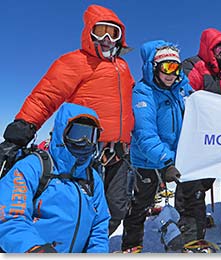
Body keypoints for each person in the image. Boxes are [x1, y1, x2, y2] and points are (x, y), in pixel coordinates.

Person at [0, 4, 135, 236]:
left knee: (114, 210)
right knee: (76, 211)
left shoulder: (123, 67)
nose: (106, 39)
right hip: (83, 149)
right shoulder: (75, 61)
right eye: (100, 31)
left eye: (112, 33)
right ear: (89, 34)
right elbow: (45, 97)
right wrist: (21, 130)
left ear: (119, 38)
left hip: (118, 154)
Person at [0, 103, 110, 253]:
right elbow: (10, 217)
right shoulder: (34, 167)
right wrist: (35, 250)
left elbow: (99, 226)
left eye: (90, 135)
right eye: (77, 134)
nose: (85, 141)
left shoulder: (92, 178)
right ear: (61, 132)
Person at [121, 41, 193, 253]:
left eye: (176, 68)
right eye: (166, 68)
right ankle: (131, 245)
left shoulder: (182, 89)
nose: (171, 74)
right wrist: (166, 161)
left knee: (186, 199)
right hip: (147, 161)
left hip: (173, 158)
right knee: (141, 204)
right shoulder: (143, 92)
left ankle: (180, 238)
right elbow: (144, 134)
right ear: (155, 68)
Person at [176, 28, 221, 244]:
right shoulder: (194, 65)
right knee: (191, 183)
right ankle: (190, 229)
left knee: (206, 179)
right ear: (208, 46)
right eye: (218, 47)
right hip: (194, 135)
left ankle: (194, 218)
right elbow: (186, 95)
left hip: (212, 136)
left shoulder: (220, 75)